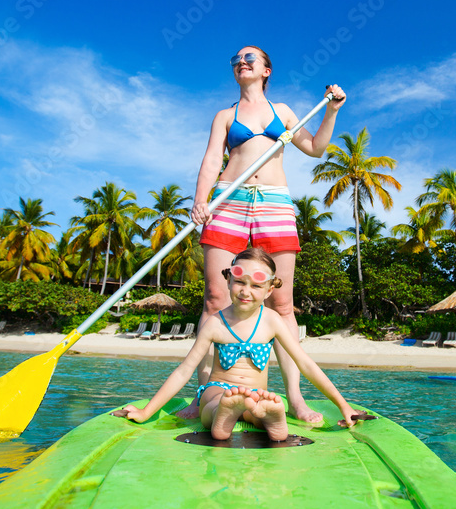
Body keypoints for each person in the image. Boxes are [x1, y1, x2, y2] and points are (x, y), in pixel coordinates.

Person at [180, 45, 347, 423]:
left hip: (274, 204)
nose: (242, 62)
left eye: (250, 58)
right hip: (228, 201)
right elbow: (211, 160)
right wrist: (200, 200)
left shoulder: (283, 112)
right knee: (214, 298)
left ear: (266, 70)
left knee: (282, 304)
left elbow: (315, 148)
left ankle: (295, 398)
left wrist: (332, 110)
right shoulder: (225, 115)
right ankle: (203, 395)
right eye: (236, 59)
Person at [114, 248, 358, 440]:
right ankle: (223, 414)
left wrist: (343, 406)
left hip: (254, 393)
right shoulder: (215, 323)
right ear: (229, 280)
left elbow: (305, 364)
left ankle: (270, 420)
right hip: (218, 389)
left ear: (270, 289)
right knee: (213, 403)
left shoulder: (271, 321)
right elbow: (183, 371)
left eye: (256, 285)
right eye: (240, 282)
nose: (246, 291)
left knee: (258, 406)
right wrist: (147, 411)